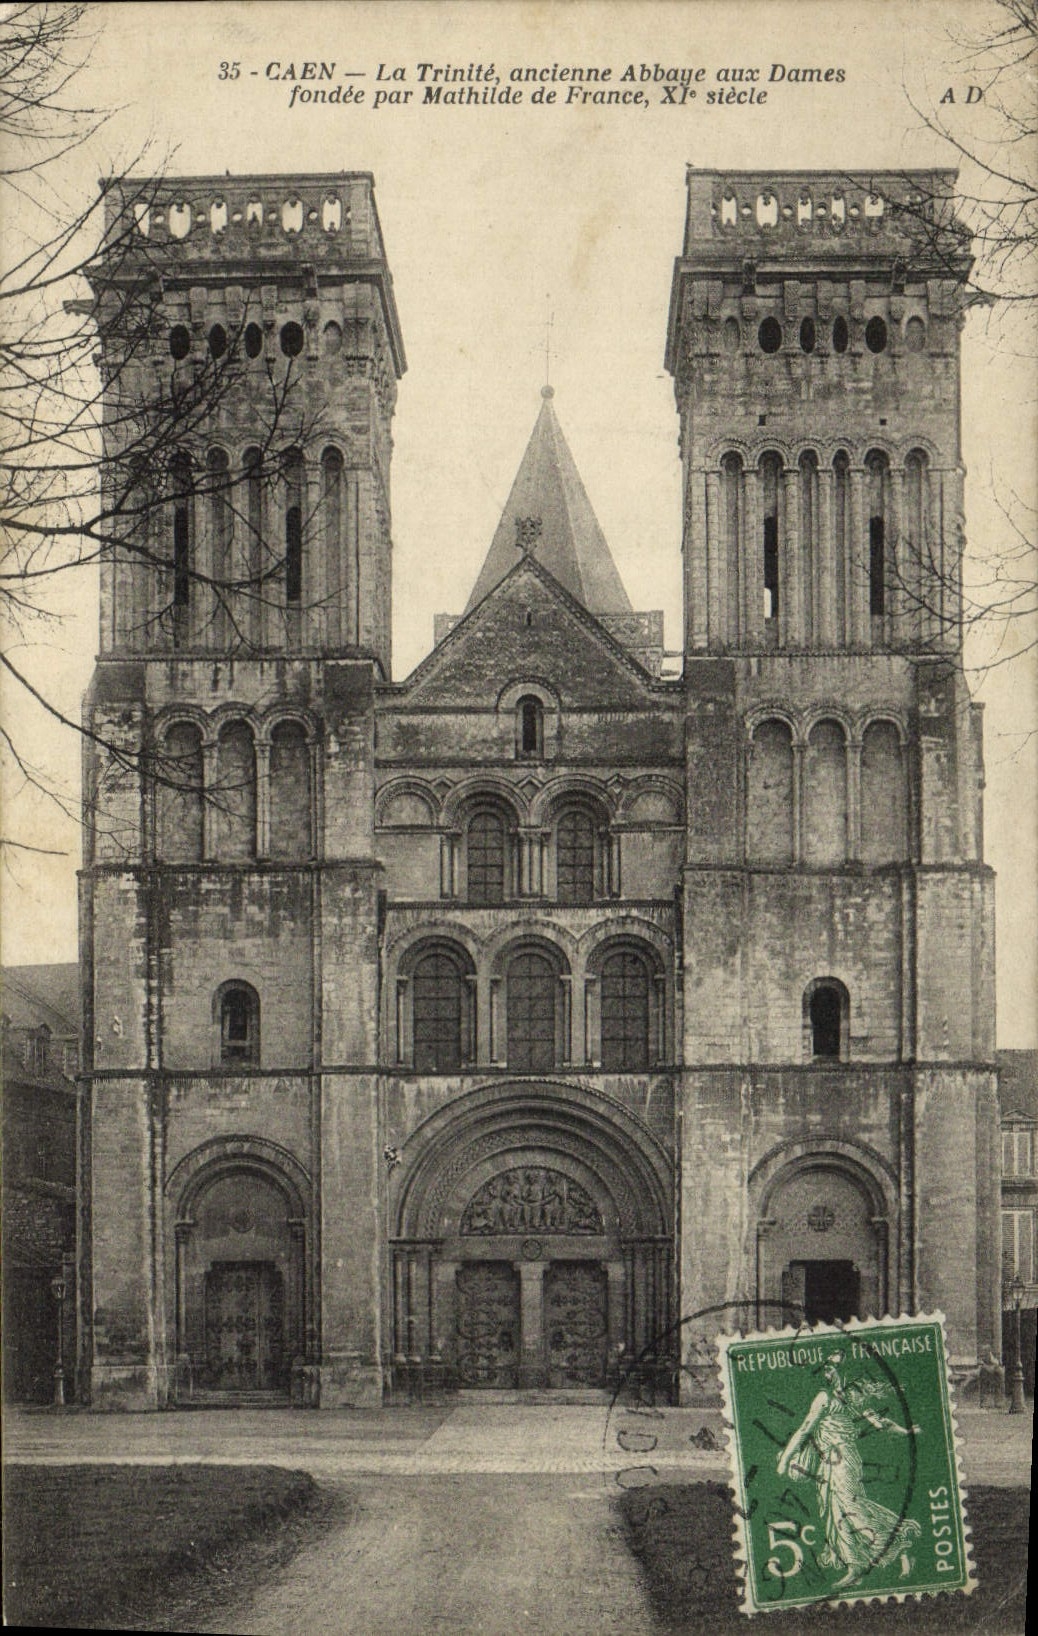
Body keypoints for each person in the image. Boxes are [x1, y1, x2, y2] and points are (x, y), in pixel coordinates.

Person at [776, 1351, 922, 1589]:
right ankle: (881, 1555)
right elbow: (876, 1421)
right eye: (825, 1367)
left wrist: (785, 1461)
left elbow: (805, 1429)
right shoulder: (838, 1399)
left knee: (850, 1509)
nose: (828, 1371)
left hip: (842, 1460)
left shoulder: (831, 1398)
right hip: (831, 1461)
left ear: (842, 1371)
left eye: (832, 1366)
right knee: (842, 1509)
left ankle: (868, 1560)